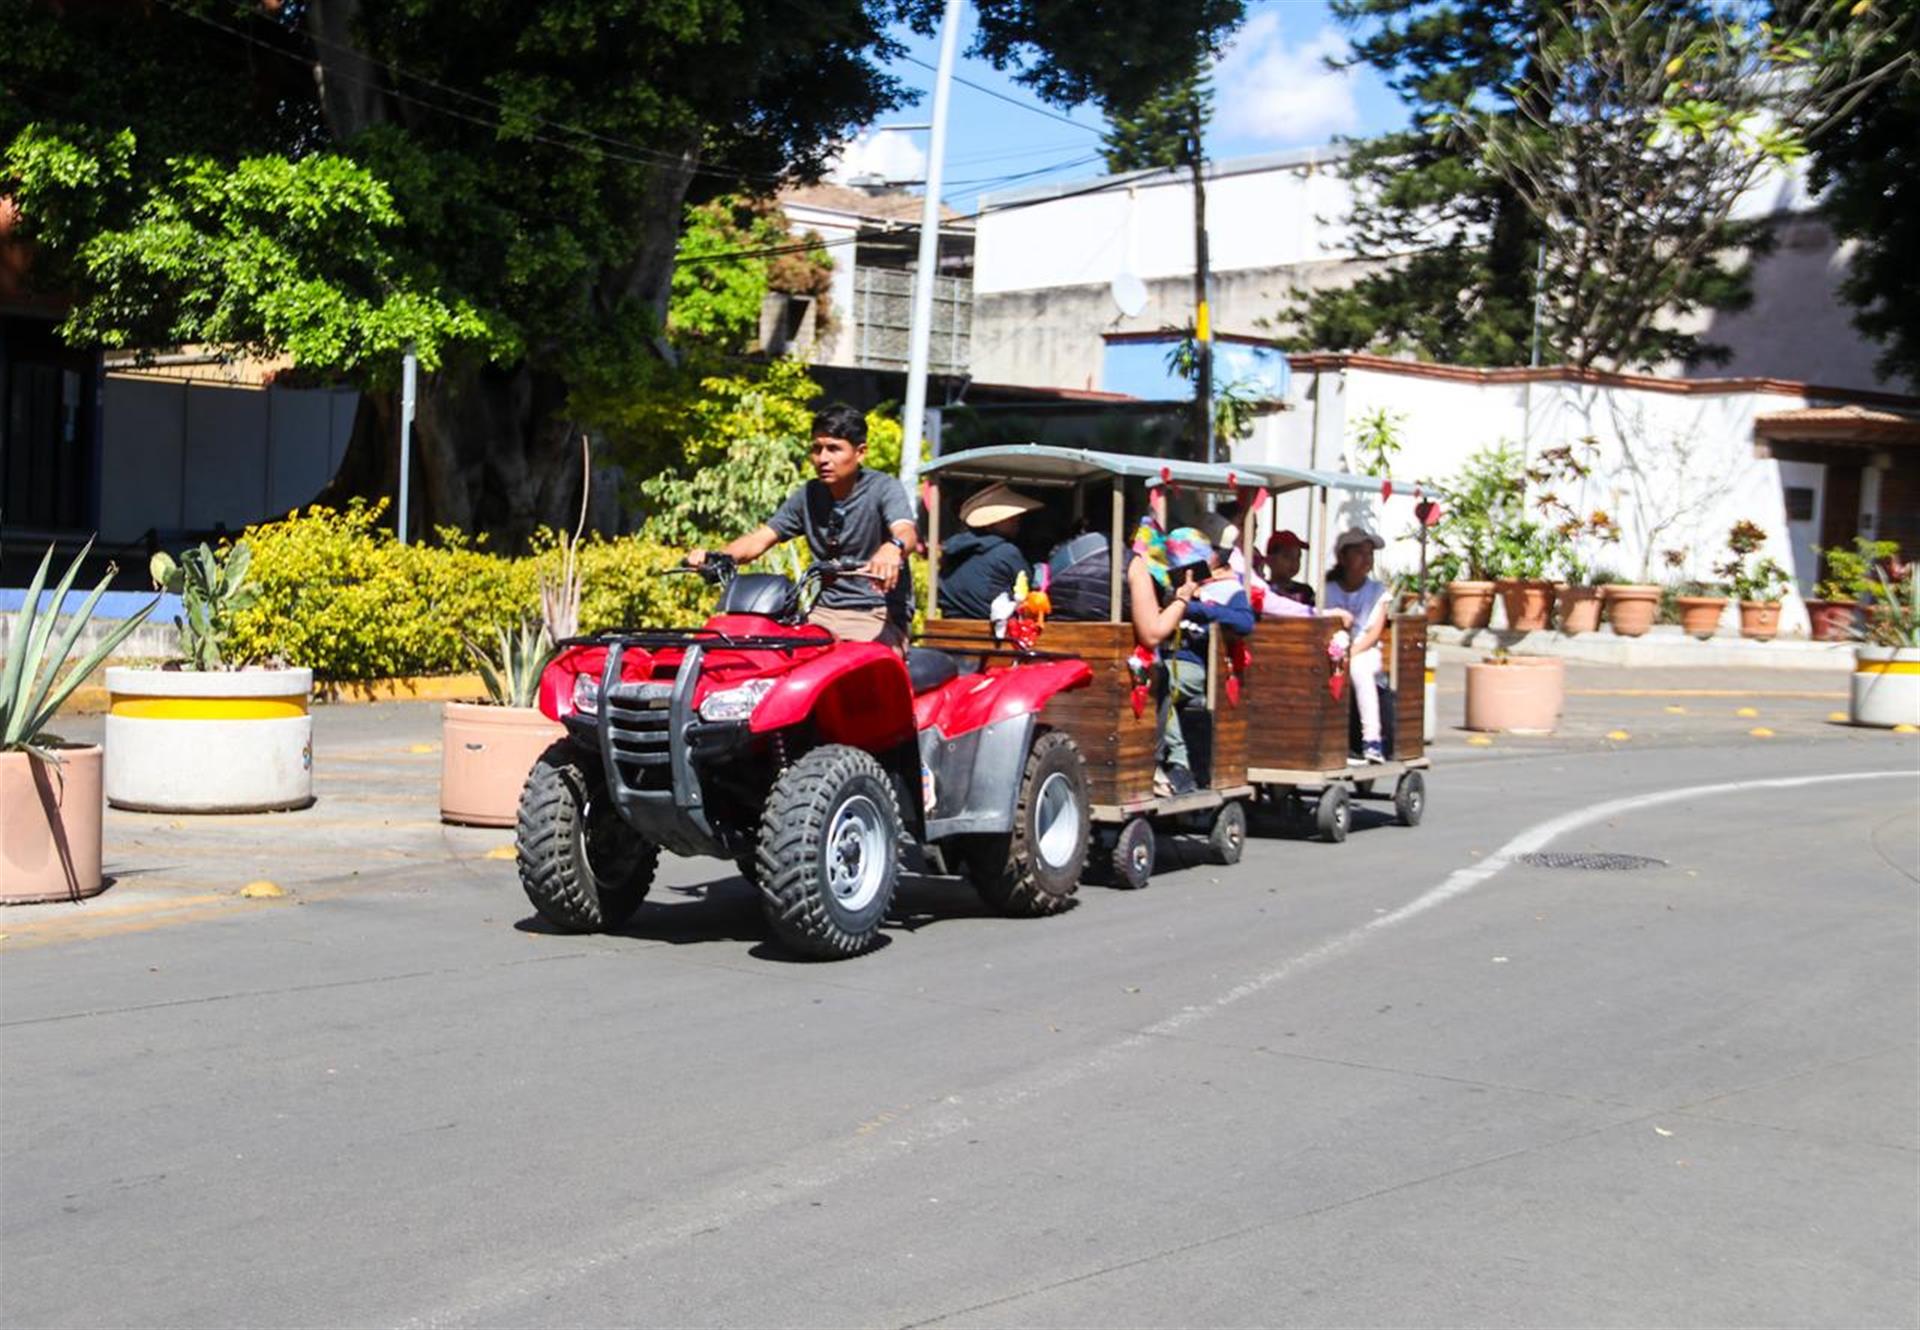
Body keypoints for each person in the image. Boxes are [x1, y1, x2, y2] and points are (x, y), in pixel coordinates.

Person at [688, 403, 919, 650]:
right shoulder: (809, 494)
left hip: (877, 614)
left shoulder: (884, 488)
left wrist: (893, 548)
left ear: (860, 453)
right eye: (816, 449)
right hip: (823, 614)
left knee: (857, 670)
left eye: (833, 449)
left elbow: (906, 531)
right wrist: (716, 557)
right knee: (774, 660)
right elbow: (761, 538)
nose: (823, 459)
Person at [1324, 526, 1391, 762]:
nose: (1366, 559)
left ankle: (1371, 740)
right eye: (1360, 553)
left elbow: (1374, 632)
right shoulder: (1327, 589)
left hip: (1365, 651)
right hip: (1332, 649)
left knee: (1359, 670)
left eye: (1369, 554)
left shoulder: (1377, 591)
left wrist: (1351, 652)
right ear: (1343, 557)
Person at [938, 482, 1041, 620]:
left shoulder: (952, 550)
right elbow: (1027, 589)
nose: (1017, 519)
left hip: (947, 630)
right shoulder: (1006, 552)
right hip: (991, 633)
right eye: (1009, 517)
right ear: (991, 523)